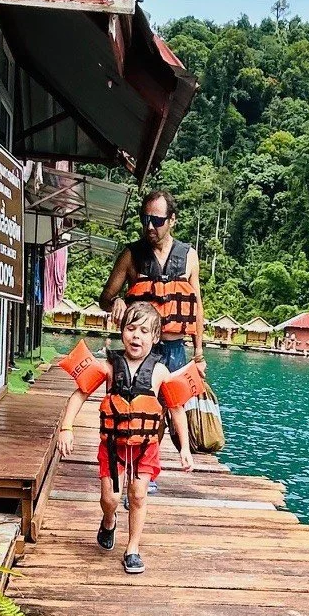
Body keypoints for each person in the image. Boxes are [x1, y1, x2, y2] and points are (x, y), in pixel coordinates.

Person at [57, 302, 199, 575]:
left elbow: (176, 407)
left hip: (145, 447)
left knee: (138, 495)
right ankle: (108, 520)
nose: (137, 336)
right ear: (121, 331)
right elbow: (79, 394)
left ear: (155, 337)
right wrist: (67, 427)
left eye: (144, 331)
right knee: (110, 498)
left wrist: (185, 448)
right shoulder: (110, 366)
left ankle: (132, 548)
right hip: (112, 446)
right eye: (131, 328)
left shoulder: (159, 371)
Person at [101, 189, 204, 475]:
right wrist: (118, 300)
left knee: (173, 409)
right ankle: (134, 468)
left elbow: (196, 306)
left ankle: (155, 464)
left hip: (175, 348)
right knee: (140, 410)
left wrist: (198, 351)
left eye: (157, 220)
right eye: (145, 219)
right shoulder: (131, 255)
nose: (149, 226)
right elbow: (105, 297)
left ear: (172, 220)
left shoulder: (189, 257)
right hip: (142, 349)